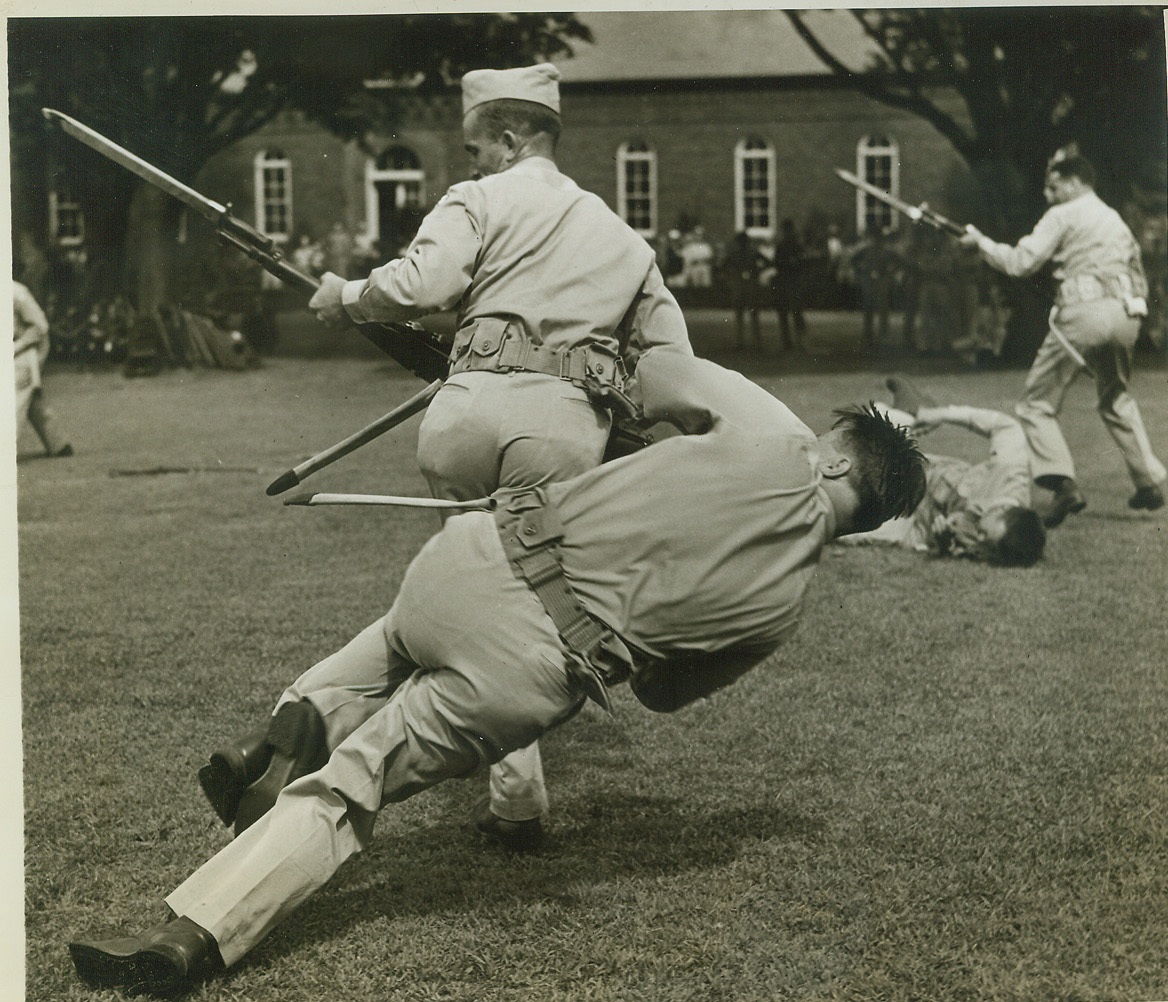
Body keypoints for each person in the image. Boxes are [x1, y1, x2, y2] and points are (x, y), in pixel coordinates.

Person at [67, 348, 927, 996]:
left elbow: (661, 370)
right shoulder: (783, 614)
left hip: (480, 562)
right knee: (349, 790)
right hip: (534, 674)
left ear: (840, 460)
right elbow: (662, 694)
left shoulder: (779, 439)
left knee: (392, 644)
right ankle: (189, 939)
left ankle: (304, 713)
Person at [200, 63, 692, 855]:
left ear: (506, 139)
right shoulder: (622, 236)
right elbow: (674, 365)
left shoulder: (481, 199)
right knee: (520, 613)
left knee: (461, 601)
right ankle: (512, 800)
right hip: (561, 434)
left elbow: (424, 280)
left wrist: (346, 292)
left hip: (462, 422)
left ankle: (308, 710)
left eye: (472, 150)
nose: (467, 165)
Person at [961, 152, 1167, 524]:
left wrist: (982, 245)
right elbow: (1137, 270)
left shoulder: (1062, 214)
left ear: (1074, 182)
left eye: (1053, 185)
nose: (1047, 193)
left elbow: (1022, 263)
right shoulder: (1113, 218)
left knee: (1035, 403)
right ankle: (1149, 480)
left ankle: (1062, 485)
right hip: (1127, 316)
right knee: (1115, 396)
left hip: (1084, 313)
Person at [837, 375, 1046, 566]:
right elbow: (1006, 426)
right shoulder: (1010, 473)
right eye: (983, 535)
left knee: (846, 527)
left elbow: (964, 548)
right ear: (1001, 510)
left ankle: (900, 417)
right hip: (923, 475)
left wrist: (943, 543)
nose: (977, 539)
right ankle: (905, 416)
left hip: (913, 524)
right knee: (865, 455)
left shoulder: (995, 545)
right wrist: (941, 415)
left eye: (985, 546)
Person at [13, 278, 73, 458]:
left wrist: (21, 348)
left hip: (28, 351)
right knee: (32, 399)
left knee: (13, 395)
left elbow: (41, 327)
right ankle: (59, 445)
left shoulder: (17, 293)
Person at [723, 231, 765, 350]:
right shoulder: (752, 252)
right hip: (749, 285)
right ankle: (755, 341)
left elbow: (724, 266)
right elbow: (767, 262)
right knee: (752, 314)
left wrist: (731, 276)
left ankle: (741, 341)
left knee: (741, 314)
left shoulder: (735, 253)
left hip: (740, 285)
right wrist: (757, 271)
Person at [770, 219, 808, 350]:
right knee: (792, 313)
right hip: (790, 282)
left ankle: (792, 342)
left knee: (789, 313)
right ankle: (795, 342)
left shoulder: (788, 245)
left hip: (789, 282)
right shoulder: (794, 245)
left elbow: (777, 262)